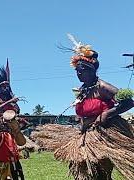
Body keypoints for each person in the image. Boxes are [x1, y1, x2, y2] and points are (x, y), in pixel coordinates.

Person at [54, 35, 134, 180]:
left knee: (101, 174)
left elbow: (129, 102)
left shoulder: (102, 87)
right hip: (85, 133)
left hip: (102, 135)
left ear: (91, 70)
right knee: (81, 173)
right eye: (77, 71)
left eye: (82, 70)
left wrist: (107, 114)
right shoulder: (83, 89)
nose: (78, 73)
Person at [0, 65, 26, 180]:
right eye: (3, 86)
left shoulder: (12, 102)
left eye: (7, 86)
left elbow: (17, 112)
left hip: (10, 135)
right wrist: (10, 101)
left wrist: (20, 122)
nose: (6, 88)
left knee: (14, 162)